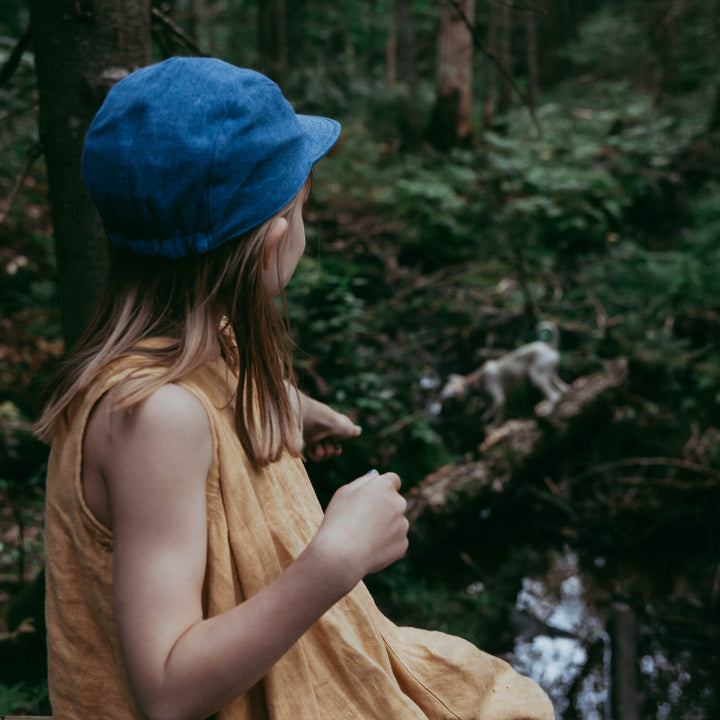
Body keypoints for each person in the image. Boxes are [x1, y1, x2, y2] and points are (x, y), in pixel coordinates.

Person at [36, 57, 555, 720]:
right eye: (303, 206)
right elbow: (166, 690)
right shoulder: (154, 417)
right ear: (270, 241)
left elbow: (217, 403)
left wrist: (290, 407)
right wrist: (336, 559)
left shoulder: (197, 346)